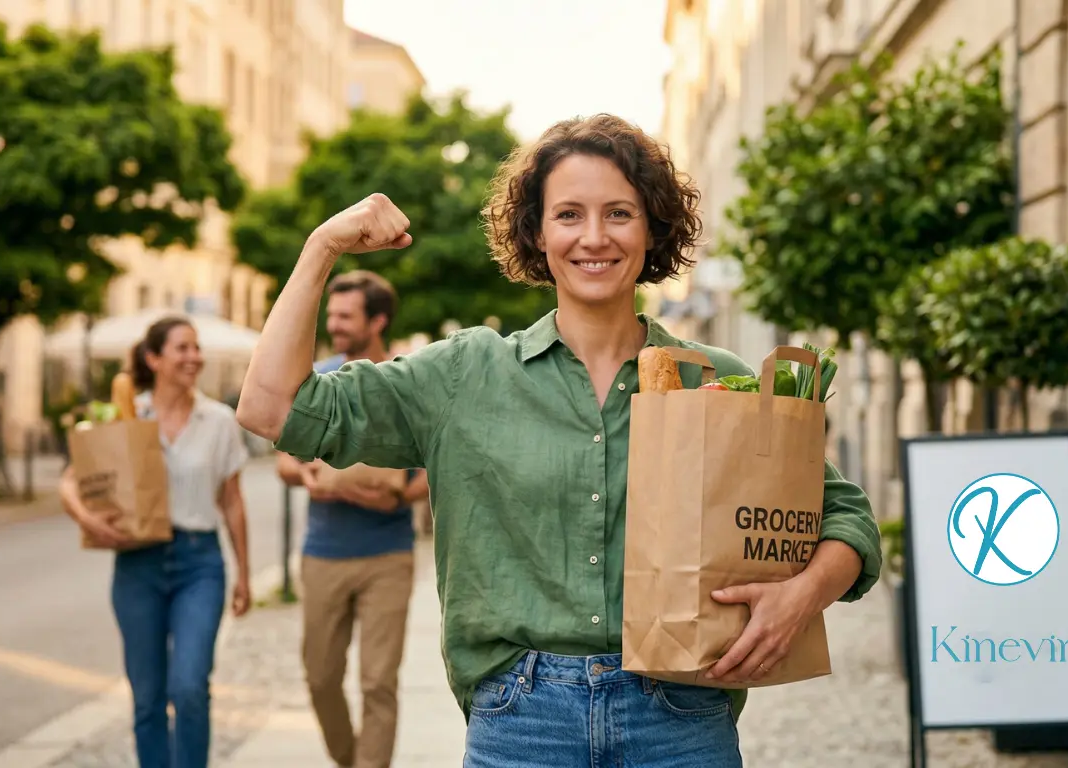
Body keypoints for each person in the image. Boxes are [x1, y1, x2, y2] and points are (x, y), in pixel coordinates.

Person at [236, 114, 882, 767]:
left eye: (620, 213)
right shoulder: (466, 374)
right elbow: (272, 407)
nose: (594, 237)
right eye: (569, 214)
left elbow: (846, 516)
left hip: (683, 717)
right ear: (536, 233)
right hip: (521, 722)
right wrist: (322, 246)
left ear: (653, 227)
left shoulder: (719, 380)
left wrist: (801, 597)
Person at [60, 316, 252, 768]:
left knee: (188, 687)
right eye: (182, 348)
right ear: (154, 359)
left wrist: (244, 575)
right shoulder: (124, 415)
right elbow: (70, 482)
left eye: (196, 348)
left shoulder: (219, 420)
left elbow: (233, 502)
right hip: (137, 566)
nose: (194, 357)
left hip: (199, 564)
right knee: (146, 698)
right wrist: (88, 518)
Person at [276, 270, 430, 768]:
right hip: (323, 552)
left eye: (345, 316)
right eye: (332, 315)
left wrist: (404, 495)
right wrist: (311, 480)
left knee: (378, 683)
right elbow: (283, 458)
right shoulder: (316, 376)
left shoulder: (407, 379)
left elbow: (436, 458)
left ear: (378, 319)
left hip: (388, 555)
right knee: (320, 677)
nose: (335, 325)